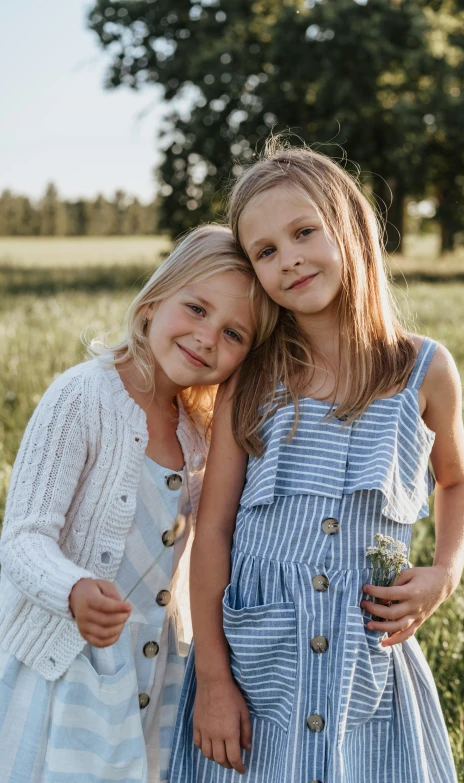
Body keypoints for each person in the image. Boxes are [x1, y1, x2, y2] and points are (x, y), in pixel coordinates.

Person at [169, 146, 464, 783]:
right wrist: (213, 680)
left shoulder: (422, 369)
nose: (289, 260)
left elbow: (457, 480)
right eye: (265, 251)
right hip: (261, 675)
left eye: (304, 232)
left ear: (348, 227)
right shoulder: (251, 383)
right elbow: (215, 530)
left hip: (364, 669)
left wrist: (444, 572)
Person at [0, 224, 278, 783]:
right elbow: (24, 536)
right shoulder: (85, 396)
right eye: (195, 309)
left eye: (233, 334)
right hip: (65, 665)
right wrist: (72, 589)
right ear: (152, 304)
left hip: (150, 670)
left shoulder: (201, 437)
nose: (206, 338)